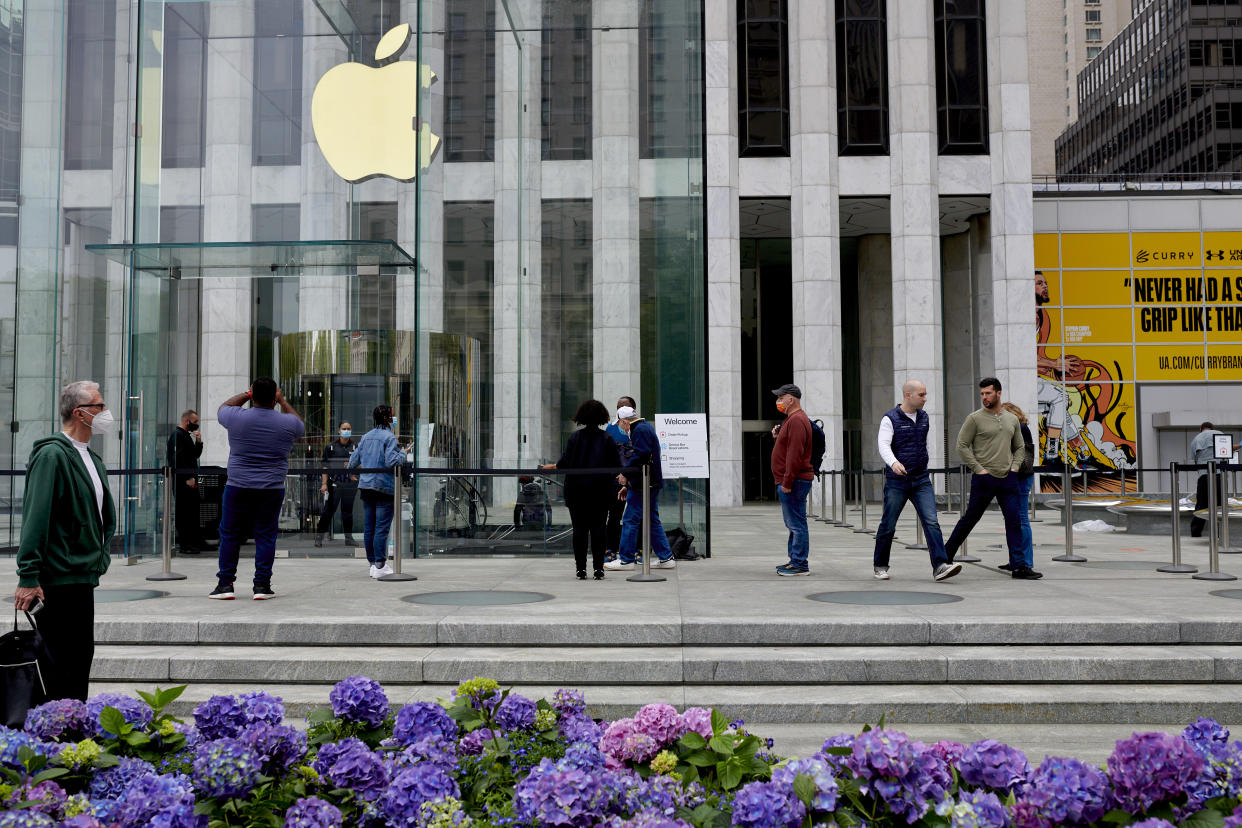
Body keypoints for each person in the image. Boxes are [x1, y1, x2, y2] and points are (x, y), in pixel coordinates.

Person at [14, 381, 116, 700]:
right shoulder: (52, 455)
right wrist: (28, 576)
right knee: (57, 667)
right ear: (80, 413)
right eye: (99, 406)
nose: (105, 412)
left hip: (82, 577)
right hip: (57, 580)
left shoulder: (91, 458)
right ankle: (56, 738)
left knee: (79, 659)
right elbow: (36, 517)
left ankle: (76, 737)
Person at [210, 378, 304, 600]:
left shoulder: (237, 417)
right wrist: (283, 401)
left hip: (238, 485)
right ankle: (261, 586)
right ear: (275, 397)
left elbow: (223, 407)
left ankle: (225, 584)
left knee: (230, 534)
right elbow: (299, 425)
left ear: (253, 394)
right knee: (265, 535)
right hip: (271, 487)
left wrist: (247, 394)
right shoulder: (286, 423)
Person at [944, 378, 1041, 579]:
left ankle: (1020, 566)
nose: (984, 397)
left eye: (988, 393)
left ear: (998, 393)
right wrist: (978, 469)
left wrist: (1014, 469)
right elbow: (961, 445)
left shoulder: (1011, 420)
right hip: (984, 479)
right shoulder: (974, 418)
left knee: (1014, 522)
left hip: (1008, 479)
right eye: (982, 394)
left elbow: (1020, 447)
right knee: (970, 519)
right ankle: (943, 558)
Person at [872, 380, 961, 582]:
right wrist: (894, 463)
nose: (925, 398)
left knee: (931, 522)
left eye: (925, 394)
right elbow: (883, 445)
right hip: (898, 481)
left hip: (921, 479)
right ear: (908, 395)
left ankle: (940, 566)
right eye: (921, 394)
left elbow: (924, 444)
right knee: (888, 524)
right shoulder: (890, 419)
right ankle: (880, 565)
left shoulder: (924, 417)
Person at [541, 399, 622, 579]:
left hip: (576, 491)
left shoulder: (574, 438)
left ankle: (581, 568)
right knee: (599, 529)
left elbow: (563, 464)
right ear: (602, 416)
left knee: (579, 530)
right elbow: (615, 466)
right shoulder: (607, 438)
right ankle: (599, 568)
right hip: (600, 491)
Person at [603, 403, 676, 571]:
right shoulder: (644, 428)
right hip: (647, 482)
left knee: (630, 519)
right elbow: (644, 457)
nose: (621, 428)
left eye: (620, 424)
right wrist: (629, 485)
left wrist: (626, 474)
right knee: (651, 519)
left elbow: (641, 455)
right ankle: (666, 557)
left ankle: (626, 560)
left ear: (624, 421)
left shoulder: (639, 430)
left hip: (644, 484)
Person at [348, 405, 408, 579]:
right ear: (388, 418)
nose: (394, 419)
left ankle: (373, 564)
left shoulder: (366, 437)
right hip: (383, 487)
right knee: (381, 527)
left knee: (370, 528)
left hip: (366, 486)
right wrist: (403, 453)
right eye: (393, 416)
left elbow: (352, 462)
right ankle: (380, 564)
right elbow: (392, 460)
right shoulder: (389, 438)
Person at [770, 383, 815, 576]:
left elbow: (795, 455)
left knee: (796, 524)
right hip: (792, 480)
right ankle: (794, 561)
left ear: (791, 399)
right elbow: (789, 449)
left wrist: (787, 482)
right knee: (794, 524)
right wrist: (777, 438)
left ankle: (799, 564)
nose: (778, 401)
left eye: (781, 397)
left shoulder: (797, 420)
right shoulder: (793, 419)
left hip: (794, 481)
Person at [166, 409, 209, 554]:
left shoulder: (185, 436)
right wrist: (187, 478)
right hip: (183, 481)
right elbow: (176, 460)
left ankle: (196, 541)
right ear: (187, 421)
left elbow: (194, 455)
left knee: (192, 512)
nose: (196, 425)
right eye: (195, 422)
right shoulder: (177, 435)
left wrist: (198, 441)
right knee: (184, 513)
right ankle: (185, 544)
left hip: (190, 479)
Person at [1189, 422, 1240, 537]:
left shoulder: (1196, 439)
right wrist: (1241, 444)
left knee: (1201, 505)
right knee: (1220, 505)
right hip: (1219, 476)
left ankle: (1196, 532)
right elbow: (1230, 448)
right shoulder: (1219, 434)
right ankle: (1219, 534)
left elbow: (1195, 461)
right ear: (1212, 428)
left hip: (1204, 476)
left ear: (1201, 429)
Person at [1002, 402, 1036, 570]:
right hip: (1017, 476)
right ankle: (1015, 560)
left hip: (1020, 476)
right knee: (1014, 520)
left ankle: (1025, 562)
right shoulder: (1020, 427)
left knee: (1021, 519)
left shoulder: (1019, 428)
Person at [316, 422, 358, 547]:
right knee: (328, 511)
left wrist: (352, 465)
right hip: (334, 483)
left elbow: (362, 463)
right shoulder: (331, 447)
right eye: (344, 428)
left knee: (348, 511)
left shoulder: (356, 446)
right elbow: (325, 466)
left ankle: (348, 538)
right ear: (339, 430)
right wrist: (324, 484)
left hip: (350, 484)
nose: (346, 430)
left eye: (348, 428)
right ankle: (319, 537)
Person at [604, 396, 634, 559]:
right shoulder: (611, 428)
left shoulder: (638, 429)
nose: (620, 411)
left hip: (635, 479)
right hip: (616, 480)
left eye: (624, 407)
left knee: (637, 515)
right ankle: (611, 549)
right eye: (618, 408)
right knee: (614, 516)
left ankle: (638, 549)